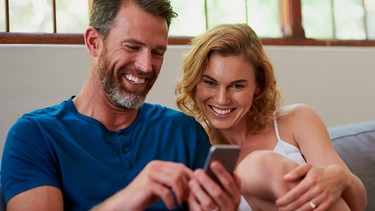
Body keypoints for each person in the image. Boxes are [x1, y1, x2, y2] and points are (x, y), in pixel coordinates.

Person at [1, 1, 242, 210]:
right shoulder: (35, 136)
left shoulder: (186, 133)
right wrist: (128, 199)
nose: (146, 66)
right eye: (132, 47)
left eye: (157, 52)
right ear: (94, 42)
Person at [175, 23, 367, 210]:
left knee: (258, 166)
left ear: (258, 85)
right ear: (194, 81)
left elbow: (357, 204)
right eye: (210, 82)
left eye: (237, 86)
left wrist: (341, 178)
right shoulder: (192, 150)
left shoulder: (297, 120)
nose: (222, 99)